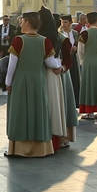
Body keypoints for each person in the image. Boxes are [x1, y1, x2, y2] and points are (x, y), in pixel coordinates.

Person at [4, 11, 58, 157]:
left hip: (21, 81)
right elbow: (50, 62)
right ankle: (41, 148)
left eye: (22, 21)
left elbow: (12, 65)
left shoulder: (18, 40)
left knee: (20, 113)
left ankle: (19, 149)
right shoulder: (44, 40)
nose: (20, 24)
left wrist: (8, 82)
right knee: (38, 111)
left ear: (27, 22)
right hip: (38, 81)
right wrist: (59, 65)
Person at [40, 8, 76, 150]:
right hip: (47, 75)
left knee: (63, 106)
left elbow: (68, 60)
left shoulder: (63, 39)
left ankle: (63, 137)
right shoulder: (41, 38)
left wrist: (61, 68)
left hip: (61, 76)